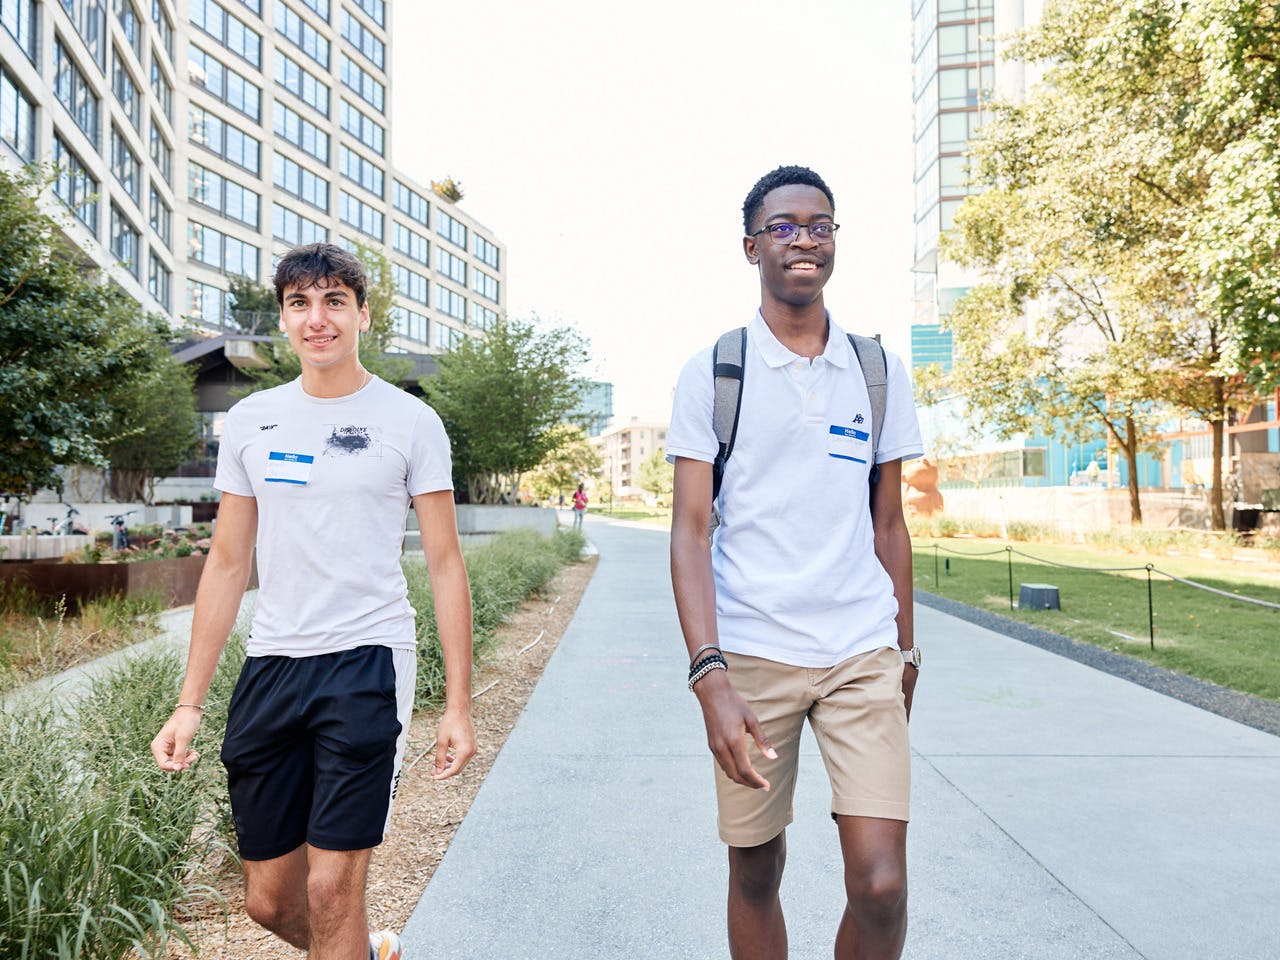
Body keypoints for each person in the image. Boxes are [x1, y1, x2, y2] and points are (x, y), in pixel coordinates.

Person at [151, 243, 476, 960]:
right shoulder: (251, 421)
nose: (317, 318)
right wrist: (189, 703)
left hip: (366, 661)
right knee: (270, 902)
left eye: (334, 301)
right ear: (284, 318)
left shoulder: (409, 422)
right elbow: (230, 563)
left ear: (363, 313)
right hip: (273, 663)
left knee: (332, 892)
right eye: (300, 303)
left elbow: (448, 565)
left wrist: (458, 704)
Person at [666, 166, 923, 960]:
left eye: (820, 223)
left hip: (858, 649)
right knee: (756, 871)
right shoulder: (715, 371)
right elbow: (690, 530)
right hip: (750, 656)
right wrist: (710, 676)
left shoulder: (876, 372)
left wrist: (905, 648)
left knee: (881, 884)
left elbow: (889, 525)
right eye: (783, 226)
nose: (804, 237)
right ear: (752, 247)